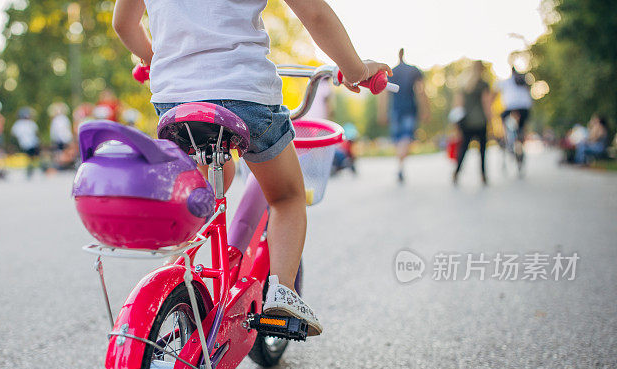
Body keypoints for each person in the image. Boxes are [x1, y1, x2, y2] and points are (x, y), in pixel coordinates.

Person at [113, 0, 391, 336]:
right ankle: (283, 293)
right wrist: (357, 70)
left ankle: (176, 266)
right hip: (245, 93)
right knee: (287, 197)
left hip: (175, 99)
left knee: (206, 188)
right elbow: (315, 14)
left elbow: (124, 24)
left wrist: (153, 58)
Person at [378, 48, 429, 183]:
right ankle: (401, 165)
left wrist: (382, 112)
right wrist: (425, 109)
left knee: (399, 139)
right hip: (409, 109)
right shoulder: (413, 70)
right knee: (406, 138)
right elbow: (421, 91)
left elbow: (383, 93)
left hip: (395, 111)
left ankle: (400, 165)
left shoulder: (391, 72)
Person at [452, 60, 492, 186]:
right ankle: (483, 175)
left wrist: (456, 124)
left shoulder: (464, 85)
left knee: (463, 149)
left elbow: (458, 104)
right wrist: (490, 119)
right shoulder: (483, 84)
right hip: (480, 121)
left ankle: (456, 173)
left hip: (466, 122)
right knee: (482, 151)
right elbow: (486, 103)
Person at [497, 66, 532, 174]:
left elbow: (494, 93)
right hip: (524, 108)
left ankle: (507, 139)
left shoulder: (506, 82)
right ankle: (520, 139)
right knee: (521, 130)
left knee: (503, 119)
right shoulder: (523, 81)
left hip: (511, 108)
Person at [10, 107, 41, 179]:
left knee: (30, 157)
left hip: (24, 144)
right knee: (33, 157)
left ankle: (31, 168)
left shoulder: (17, 124)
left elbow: (13, 135)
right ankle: (32, 168)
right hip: (32, 143)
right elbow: (37, 133)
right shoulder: (31, 123)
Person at [48, 102, 74, 171]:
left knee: (60, 153)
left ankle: (62, 165)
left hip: (60, 140)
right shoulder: (61, 119)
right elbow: (63, 132)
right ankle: (62, 166)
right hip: (63, 140)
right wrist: (68, 140)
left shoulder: (58, 119)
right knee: (61, 153)